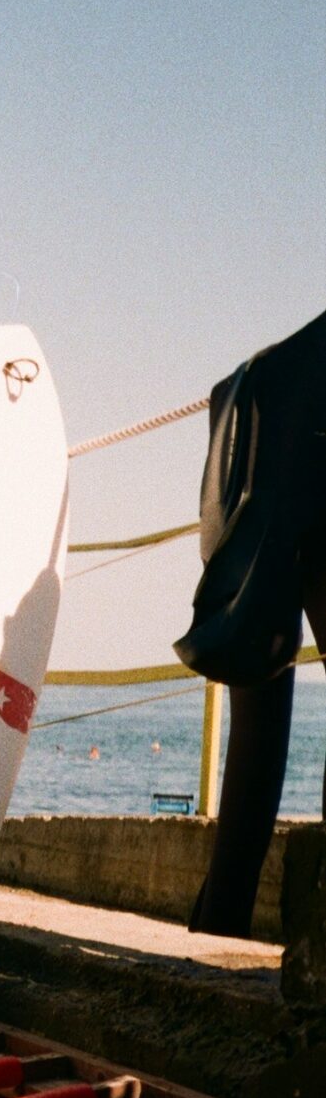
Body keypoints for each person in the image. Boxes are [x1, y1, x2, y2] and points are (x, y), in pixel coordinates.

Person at [177, 308, 326, 936]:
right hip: (293, 450)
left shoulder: (282, 367)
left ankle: (220, 919)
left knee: (256, 725)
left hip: (258, 458)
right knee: (258, 720)